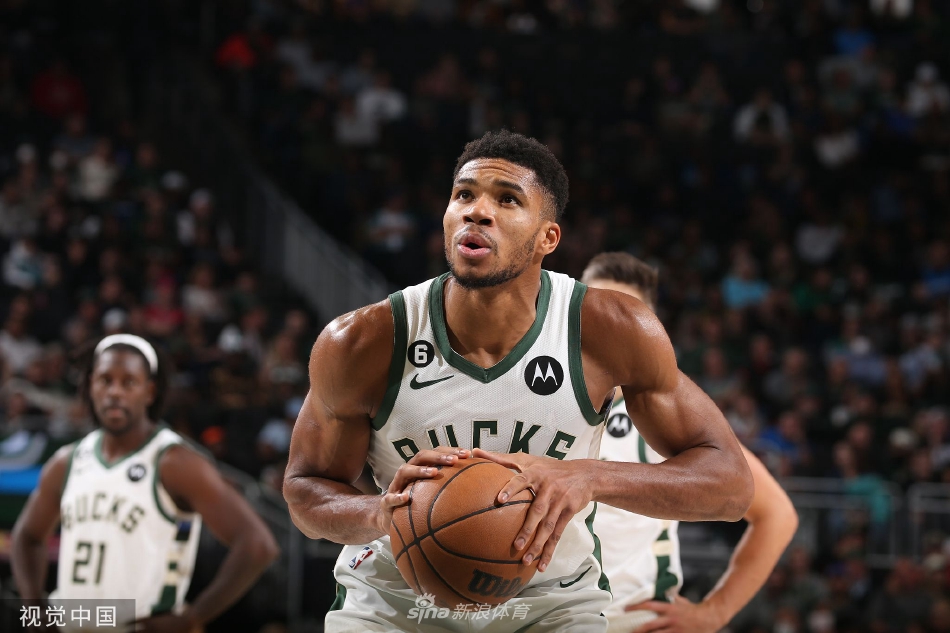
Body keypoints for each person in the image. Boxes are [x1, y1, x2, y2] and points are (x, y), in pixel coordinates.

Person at [284, 130, 754, 632]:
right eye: (464, 195)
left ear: (547, 238)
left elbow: (730, 486)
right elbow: (304, 491)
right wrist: (382, 514)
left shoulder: (608, 329)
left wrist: (588, 477)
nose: (477, 211)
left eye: (507, 199)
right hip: (396, 602)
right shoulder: (363, 341)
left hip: (550, 603)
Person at [581, 252, 798, 633]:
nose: (604, 323)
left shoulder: (660, 412)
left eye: (621, 312)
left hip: (633, 623)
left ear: (644, 328)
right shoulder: (535, 397)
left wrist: (713, 612)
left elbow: (777, 514)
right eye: (594, 308)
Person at [12, 334, 280, 632]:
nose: (115, 392)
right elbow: (27, 537)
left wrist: (192, 618)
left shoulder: (174, 462)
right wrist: (33, 607)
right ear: (90, 386)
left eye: (128, 382)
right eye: (105, 380)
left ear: (149, 391)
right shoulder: (67, 461)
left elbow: (258, 544)